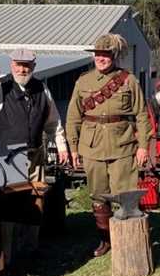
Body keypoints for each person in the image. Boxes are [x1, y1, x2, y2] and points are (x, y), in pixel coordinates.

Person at [65, 34, 151, 257]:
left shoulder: (128, 80)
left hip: (123, 145)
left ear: (114, 56)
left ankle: (129, 240)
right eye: (98, 55)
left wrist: (143, 145)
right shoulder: (83, 82)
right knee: (98, 195)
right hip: (92, 146)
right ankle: (106, 240)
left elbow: (142, 115)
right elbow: (73, 117)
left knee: (126, 194)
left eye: (105, 55)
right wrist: (73, 148)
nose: (101, 59)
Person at [0, 48, 68, 181]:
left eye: (26, 65)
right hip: (7, 158)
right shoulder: (0, 87)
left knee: (37, 197)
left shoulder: (42, 89)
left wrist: (61, 147)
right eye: (18, 65)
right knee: (11, 198)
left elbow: (53, 123)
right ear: (12, 65)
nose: (22, 70)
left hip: (35, 156)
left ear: (34, 66)